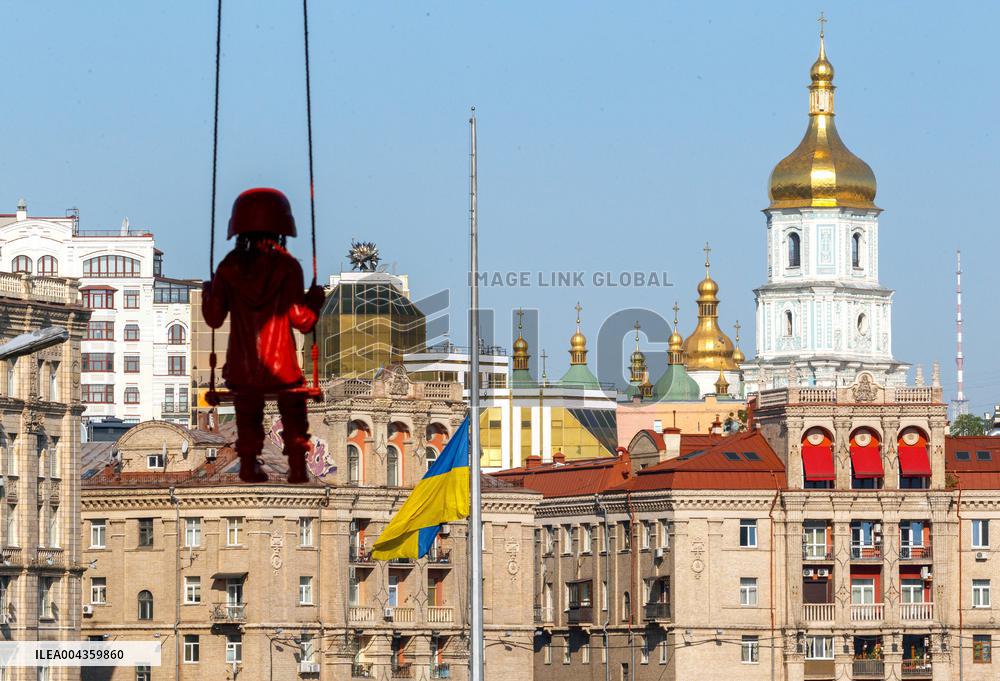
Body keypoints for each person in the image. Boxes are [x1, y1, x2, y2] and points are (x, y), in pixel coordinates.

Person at [202, 188, 325, 483]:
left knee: (248, 412)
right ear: (282, 229)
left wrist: (209, 292)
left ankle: (248, 463)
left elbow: (213, 318)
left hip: (242, 368)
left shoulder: (228, 268)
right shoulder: (287, 267)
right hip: (281, 368)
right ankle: (297, 465)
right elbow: (303, 321)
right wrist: (315, 302)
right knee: (293, 407)